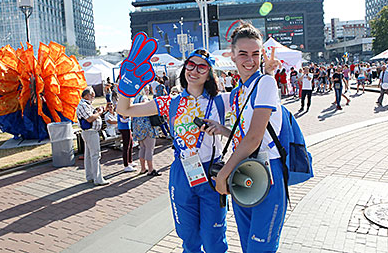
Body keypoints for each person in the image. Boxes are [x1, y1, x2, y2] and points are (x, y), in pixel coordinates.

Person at [117, 49, 230, 253]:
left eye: (202, 66)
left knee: (214, 241)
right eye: (190, 65)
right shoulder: (170, 102)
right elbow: (125, 110)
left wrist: (223, 129)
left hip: (213, 173)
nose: (194, 71)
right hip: (182, 173)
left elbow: (244, 130)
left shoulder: (222, 100)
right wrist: (125, 89)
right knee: (189, 239)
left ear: (210, 72)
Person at [210, 22, 286, 253]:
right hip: (243, 169)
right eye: (243, 53)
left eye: (255, 54)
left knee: (260, 248)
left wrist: (223, 174)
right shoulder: (237, 91)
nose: (249, 60)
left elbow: (254, 138)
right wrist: (221, 129)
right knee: (247, 245)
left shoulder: (266, 82)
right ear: (232, 56)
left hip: (267, 172)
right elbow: (242, 133)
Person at [76, 87, 109, 186]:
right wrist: (99, 113)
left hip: (89, 132)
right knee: (95, 155)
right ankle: (98, 179)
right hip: (90, 132)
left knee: (89, 155)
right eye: (92, 94)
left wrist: (97, 111)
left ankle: (90, 176)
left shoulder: (85, 105)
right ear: (86, 95)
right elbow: (90, 119)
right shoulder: (83, 105)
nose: (94, 96)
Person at [132, 87, 160, 176]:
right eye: (147, 89)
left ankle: (143, 168)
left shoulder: (135, 99)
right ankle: (151, 169)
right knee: (149, 148)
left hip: (138, 127)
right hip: (147, 126)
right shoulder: (144, 98)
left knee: (142, 148)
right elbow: (147, 109)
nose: (148, 91)